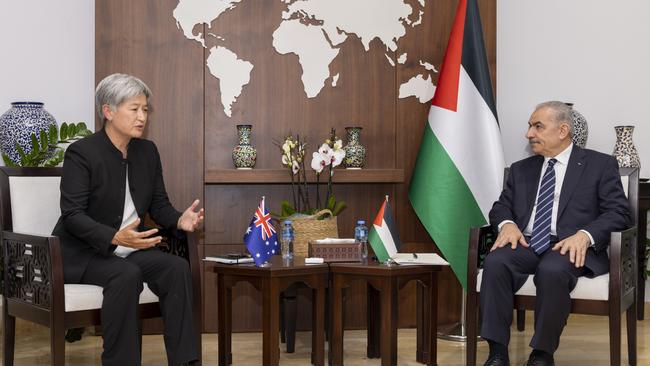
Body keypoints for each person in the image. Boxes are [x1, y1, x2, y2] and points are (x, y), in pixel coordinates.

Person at [53, 73, 204, 366]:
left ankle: (186, 362)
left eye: (145, 109)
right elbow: (72, 215)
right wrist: (113, 237)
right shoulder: (81, 153)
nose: (142, 116)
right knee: (124, 275)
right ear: (108, 111)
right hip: (85, 253)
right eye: (133, 109)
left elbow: (159, 205)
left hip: (129, 250)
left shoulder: (147, 152)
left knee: (175, 268)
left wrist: (179, 221)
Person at [480, 101, 630, 366]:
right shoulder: (521, 169)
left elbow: (618, 213)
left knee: (552, 269)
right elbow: (500, 207)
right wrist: (508, 225)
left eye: (538, 126)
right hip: (527, 243)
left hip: (569, 246)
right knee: (495, 261)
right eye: (529, 126)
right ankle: (497, 352)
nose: (529, 134)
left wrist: (585, 234)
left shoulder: (600, 165)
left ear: (563, 130)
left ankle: (542, 353)